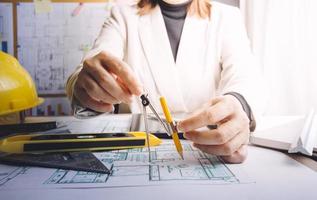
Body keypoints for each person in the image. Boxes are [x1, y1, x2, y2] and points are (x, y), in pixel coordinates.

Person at [66, 0, 265, 163]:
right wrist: (87, 85)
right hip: (137, 151)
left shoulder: (227, 17)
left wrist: (237, 104)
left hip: (205, 150)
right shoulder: (122, 15)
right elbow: (92, 64)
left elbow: (245, 77)